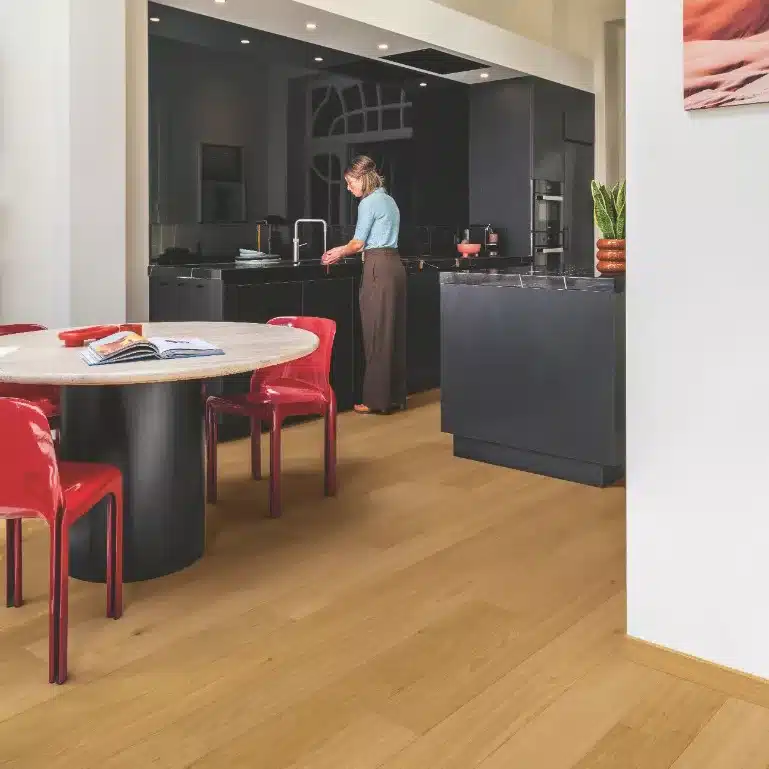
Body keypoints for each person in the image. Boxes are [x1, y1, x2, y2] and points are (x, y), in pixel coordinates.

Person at [322, 156, 406, 414]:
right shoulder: (389, 200)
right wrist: (345, 249)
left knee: (376, 331)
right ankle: (394, 397)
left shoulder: (368, 202)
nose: (349, 188)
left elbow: (358, 243)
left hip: (378, 267)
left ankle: (375, 401)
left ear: (363, 178)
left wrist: (337, 252)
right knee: (392, 333)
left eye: (350, 182)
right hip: (395, 266)